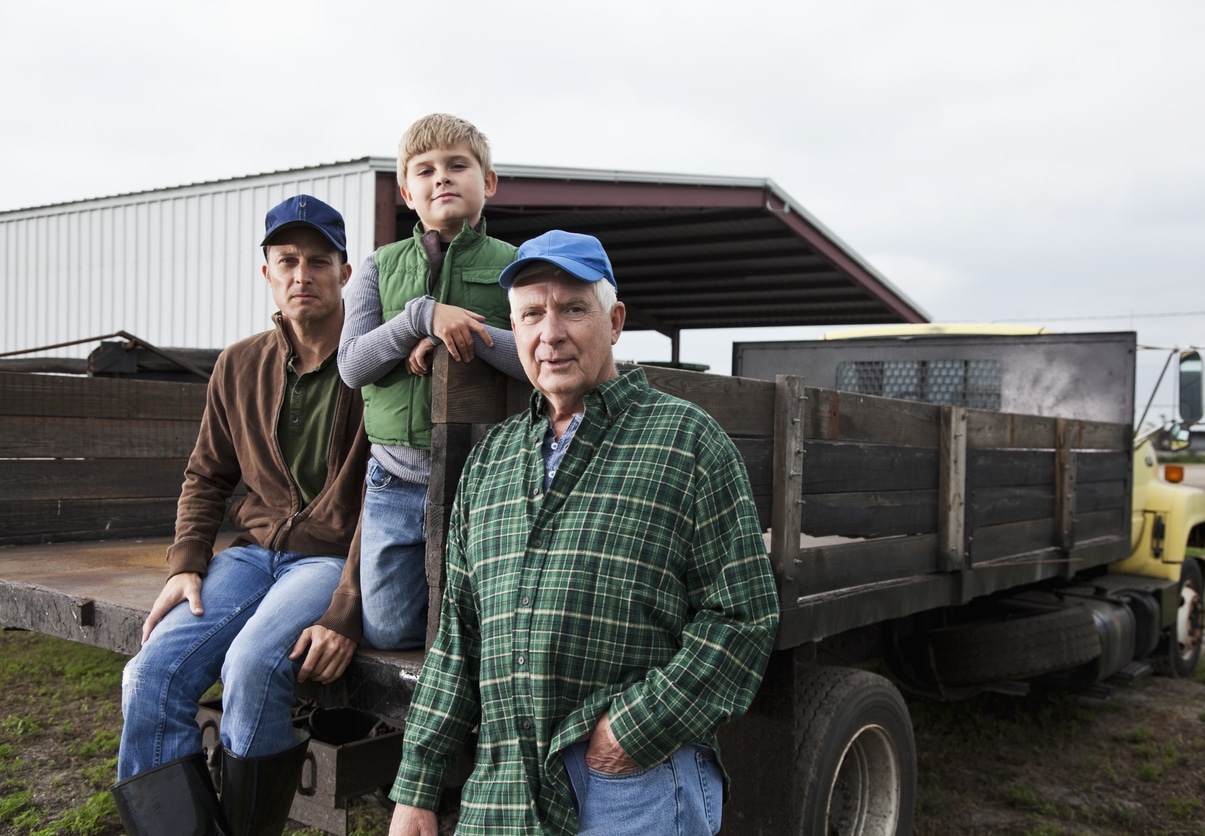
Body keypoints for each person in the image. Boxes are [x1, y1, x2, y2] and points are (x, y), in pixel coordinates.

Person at [387, 231, 780, 835]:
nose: (551, 334)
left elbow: (742, 618)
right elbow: (458, 638)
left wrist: (630, 731)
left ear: (614, 320)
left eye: (573, 308)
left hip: (631, 781)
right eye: (531, 314)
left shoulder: (688, 443)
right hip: (504, 793)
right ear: (513, 331)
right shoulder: (491, 460)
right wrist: (417, 787)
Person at [112, 194, 370, 836]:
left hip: (329, 559)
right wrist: (187, 562)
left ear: (344, 271)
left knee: (252, 666)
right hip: (253, 556)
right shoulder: (239, 363)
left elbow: (392, 492)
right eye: (287, 260)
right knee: (149, 674)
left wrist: (347, 599)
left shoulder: (375, 361)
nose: (302, 274)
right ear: (267, 274)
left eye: (318, 260)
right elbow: (207, 473)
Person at [339, 112, 523, 651]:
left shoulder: (517, 266)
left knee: (483, 625)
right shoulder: (377, 267)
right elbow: (352, 365)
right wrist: (421, 317)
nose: (441, 177)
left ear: (486, 182)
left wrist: (459, 333)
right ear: (406, 192)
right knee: (388, 629)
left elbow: (537, 361)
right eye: (425, 170)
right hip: (395, 480)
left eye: (457, 165)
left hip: (486, 481)